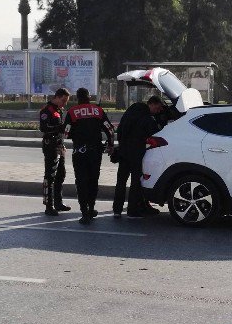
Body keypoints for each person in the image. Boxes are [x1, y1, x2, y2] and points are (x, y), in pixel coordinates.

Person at [64, 88, 114, 225]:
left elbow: (66, 133)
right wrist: (110, 144)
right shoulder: (97, 110)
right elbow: (110, 129)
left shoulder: (72, 112)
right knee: (93, 181)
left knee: (81, 182)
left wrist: (77, 133)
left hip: (79, 153)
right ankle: (92, 209)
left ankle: (84, 213)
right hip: (95, 152)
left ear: (77, 98)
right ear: (89, 97)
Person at [112, 96, 164, 218]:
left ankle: (117, 210)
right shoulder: (147, 118)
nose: (158, 110)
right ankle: (132, 210)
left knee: (121, 181)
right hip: (136, 153)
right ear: (151, 104)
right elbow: (155, 134)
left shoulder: (130, 112)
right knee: (136, 182)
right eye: (157, 108)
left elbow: (119, 130)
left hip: (124, 151)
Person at [39, 88, 71, 216]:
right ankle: (49, 205)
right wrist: (60, 128)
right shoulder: (47, 110)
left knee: (61, 174)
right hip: (50, 145)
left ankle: (58, 203)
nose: (64, 104)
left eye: (66, 101)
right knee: (50, 175)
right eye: (63, 100)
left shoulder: (59, 110)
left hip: (59, 145)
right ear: (57, 97)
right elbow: (43, 128)